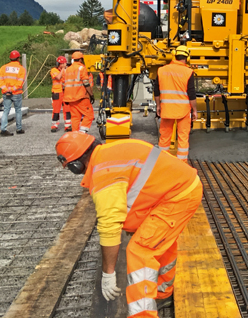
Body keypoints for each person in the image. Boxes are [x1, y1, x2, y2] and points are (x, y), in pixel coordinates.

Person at [56, 132, 202, 316]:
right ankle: (163, 292)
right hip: (180, 188)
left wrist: (108, 274)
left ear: (76, 166)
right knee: (158, 240)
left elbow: (109, 227)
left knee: (140, 250)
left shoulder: (103, 174)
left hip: (178, 196)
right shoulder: (110, 152)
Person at [154, 45, 197, 162]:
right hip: (183, 111)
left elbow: (156, 91)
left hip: (166, 110)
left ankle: (162, 162)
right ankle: (181, 164)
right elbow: (191, 94)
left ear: (174, 55)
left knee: (164, 137)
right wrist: (195, 110)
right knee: (183, 137)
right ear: (187, 58)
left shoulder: (161, 70)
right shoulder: (188, 72)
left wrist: (158, 106)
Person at [63, 51, 95, 133]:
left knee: (75, 118)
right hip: (80, 97)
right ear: (80, 60)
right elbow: (86, 83)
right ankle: (81, 133)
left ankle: (75, 136)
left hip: (70, 98)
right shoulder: (81, 68)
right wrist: (91, 95)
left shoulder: (67, 69)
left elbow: (64, 84)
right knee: (89, 115)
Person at [0, 50, 26, 135]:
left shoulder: (3, 68)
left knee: (6, 110)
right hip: (16, 93)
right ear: (18, 58)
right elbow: (20, 82)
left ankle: (3, 129)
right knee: (18, 110)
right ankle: (19, 129)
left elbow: (0, 80)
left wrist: (6, 89)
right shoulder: (21, 69)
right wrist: (12, 89)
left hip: (6, 93)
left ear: (10, 58)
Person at [50, 56, 68, 132]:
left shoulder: (66, 70)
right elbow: (58, 77)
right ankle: (54, 124)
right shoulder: (54, 70)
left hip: (65, 91)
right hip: (57, 92)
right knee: (56, 109)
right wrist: (63, 69)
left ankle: (68, 125)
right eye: (63, 63)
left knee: (67, 109)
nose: (64, 65)